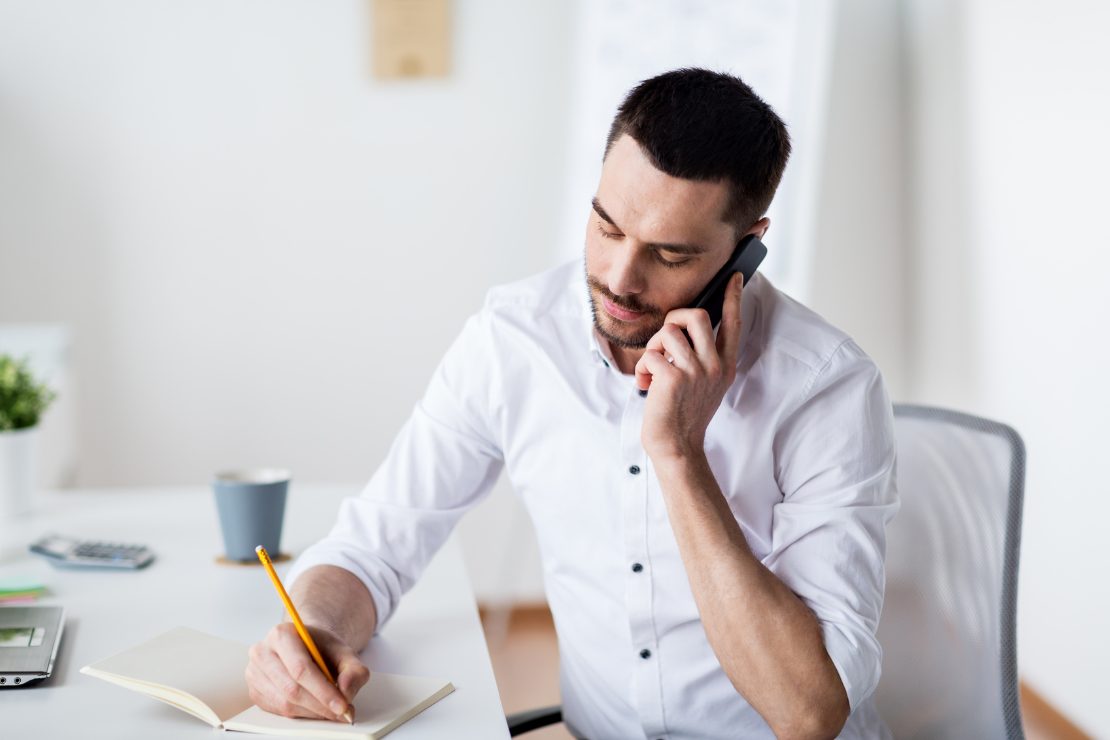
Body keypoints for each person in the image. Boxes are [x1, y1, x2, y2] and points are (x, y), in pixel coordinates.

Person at [246, 68, 898, 739]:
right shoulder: (514, 340)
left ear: (747, 248)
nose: (619, 279)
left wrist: (678, 455)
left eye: (670, 255)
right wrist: (313, 633)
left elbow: (809, 713)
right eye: (607, 226)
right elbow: (374, 547)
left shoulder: (826, 387)